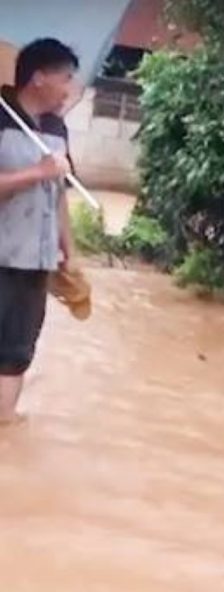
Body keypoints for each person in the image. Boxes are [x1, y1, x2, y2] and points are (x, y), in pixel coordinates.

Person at [0, 38, 79, 425]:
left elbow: (59, 196)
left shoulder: (57, 128)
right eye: (65, 78)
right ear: (38, 78)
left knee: (17, 351)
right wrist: (37, 172)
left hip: (36, 261)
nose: (69, 88)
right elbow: (42, 178)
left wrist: (70, 250)